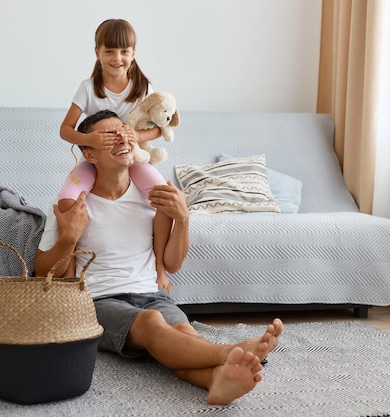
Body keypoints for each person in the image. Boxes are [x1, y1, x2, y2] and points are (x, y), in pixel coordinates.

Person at [35, 110, 283, 405]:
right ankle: (229, 351)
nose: (121, 139)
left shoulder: (152, 197)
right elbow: (42, 273)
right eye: (109, 136)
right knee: (152, 322)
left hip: (152, 294)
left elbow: (173, 263)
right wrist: (68, 238)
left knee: (182, 333)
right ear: (90, 155)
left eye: (123, 131)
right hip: (98, 301)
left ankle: (215, 379)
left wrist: (183, 218)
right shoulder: (74, 205)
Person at [58, 18, 172, 292]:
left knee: (165, 199)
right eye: (109, 51)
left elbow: (159, 129)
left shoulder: (142, 88)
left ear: (133, 53)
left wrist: (136, 137)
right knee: (66, 201)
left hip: (131, 158)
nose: (116, 58)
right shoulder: (88, 88)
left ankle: (158, 268)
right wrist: (89, 140)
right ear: (97, 53)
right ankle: (71, 271)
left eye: (124, 51)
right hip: (96, 159)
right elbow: (65, 130)